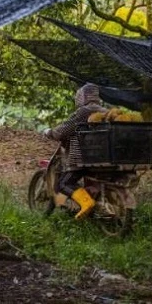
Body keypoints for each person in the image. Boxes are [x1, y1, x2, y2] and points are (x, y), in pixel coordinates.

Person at [42, 83, 108, 219]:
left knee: (63, 183)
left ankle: (86, 203)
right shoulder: (105, 111)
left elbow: (63, 130)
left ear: (83, 96)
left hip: (84, 159)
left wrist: (50, 132)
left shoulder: (84, 111)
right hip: (105, 157)